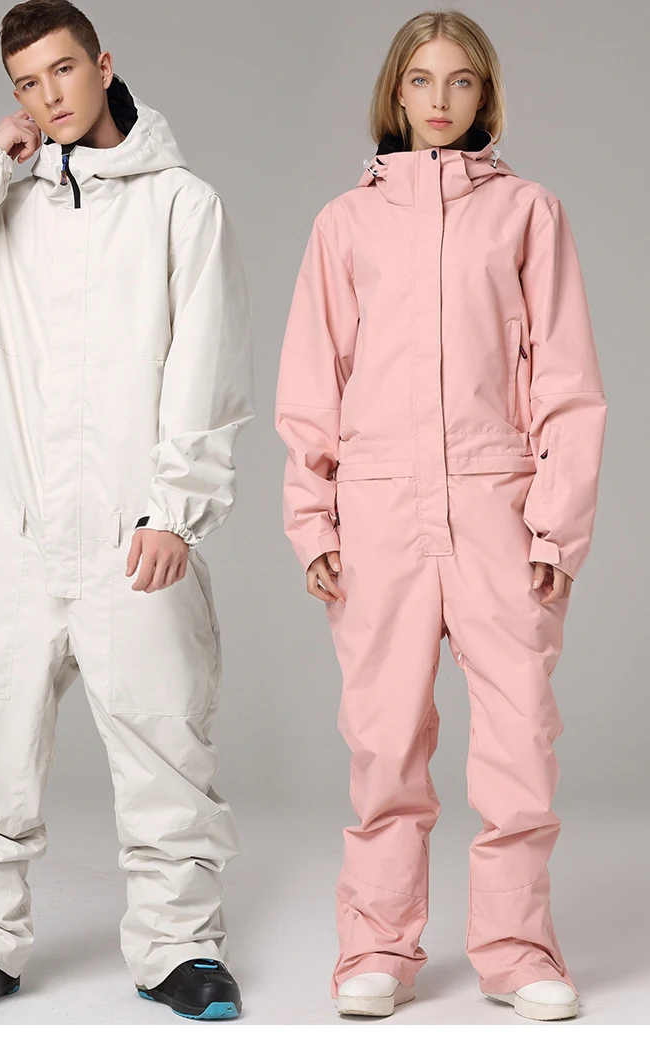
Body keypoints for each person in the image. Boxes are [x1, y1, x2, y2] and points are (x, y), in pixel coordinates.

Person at [0, 0, 252, 1021]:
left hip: (135, 529)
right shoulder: (5, 202)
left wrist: (176, 510)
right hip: (8, 533)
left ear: (102, 63)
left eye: (60, 70)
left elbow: (208, 366)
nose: (47, 95)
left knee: (166, 742)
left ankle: (180, 948)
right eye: (25, 83)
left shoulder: (182, 204)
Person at [274, 8, 606, 1023]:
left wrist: (555, 525)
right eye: (421, 80)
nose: (440, 99)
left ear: (485, 94)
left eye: (461, 81)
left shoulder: (529, 213)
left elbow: (567, 383)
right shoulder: (345, 223)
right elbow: (311, 384)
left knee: (518, 740)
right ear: (395, 92)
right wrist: (314, 520)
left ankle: (516, 949)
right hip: (380, 507)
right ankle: (376, 947)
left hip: (498, 503)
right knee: (384, 742)